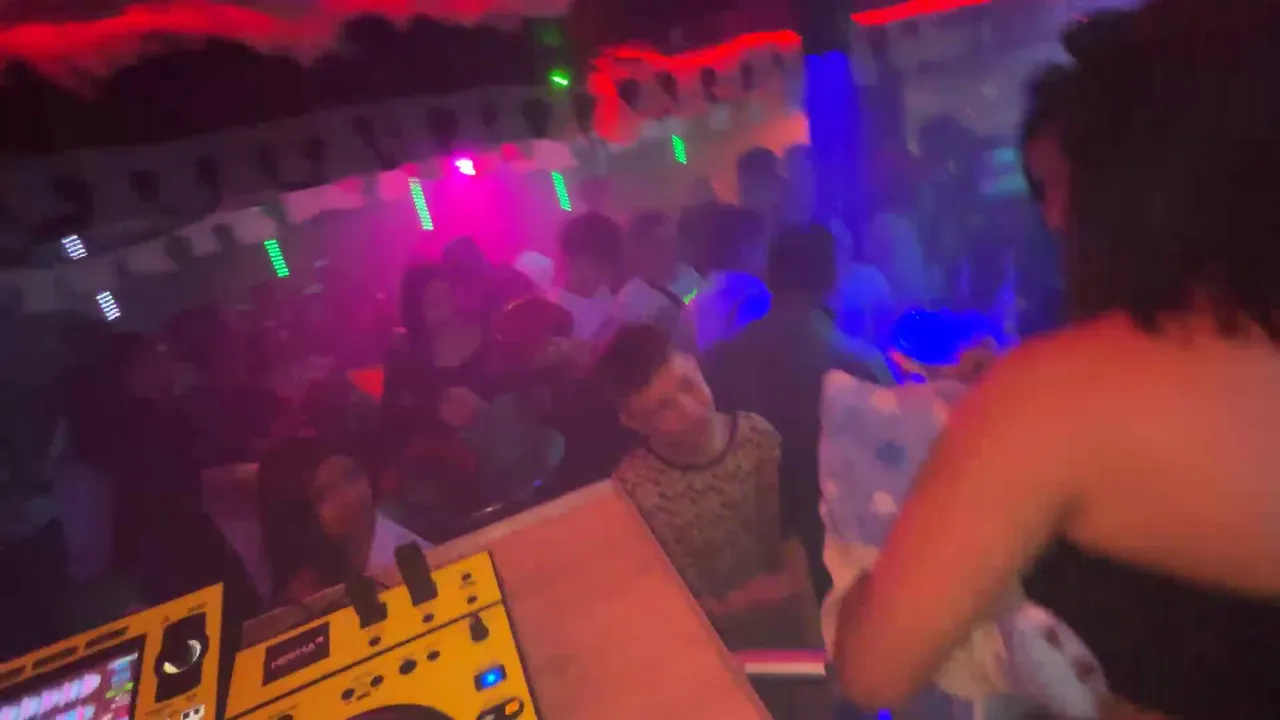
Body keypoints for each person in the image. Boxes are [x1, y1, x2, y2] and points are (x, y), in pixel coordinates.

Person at [832, 3, 1280, 717]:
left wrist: (861, 568)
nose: (1053, 215)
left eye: (1065, 182)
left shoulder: (1053, 400)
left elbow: (876, 670)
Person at [590, 323, 826, 717]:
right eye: (662, 408)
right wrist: (734, 605)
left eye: (688, 384)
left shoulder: (758, 436)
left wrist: (795, 585)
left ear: (697, 365)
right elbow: (649, 606)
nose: (690, 410)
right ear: (632, 421)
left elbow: (799, 528)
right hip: (717, 660)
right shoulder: (631, 493)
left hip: (797, 636)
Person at [702, 225, 893, 603]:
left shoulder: (717, 361)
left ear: (768, 276)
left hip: (744, 558)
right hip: (835, 560)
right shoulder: (857, 363)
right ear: (832, 279)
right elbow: (890, 466)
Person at [258, 437, 431, 605]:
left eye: (350, 477)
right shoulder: (308, 589)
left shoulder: (409, 562)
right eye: (324, 495)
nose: (346, 497)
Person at [679, 205, 771, 352]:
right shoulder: (755, 293)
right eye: (761, 246)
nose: (764, 254)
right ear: (746, 248)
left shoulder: (694, 298)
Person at [614, 211, 702, 330]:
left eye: (673, 241)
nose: (671, 249)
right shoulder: (630, 301)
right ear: (639, 249)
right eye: (660, 244)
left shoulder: (691, 276)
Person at [547, 213, 625, 342]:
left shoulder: (609, 300)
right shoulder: (553, 309)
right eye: (598, 259)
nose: (606, 267)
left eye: (609, 259)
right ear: (573, 256)